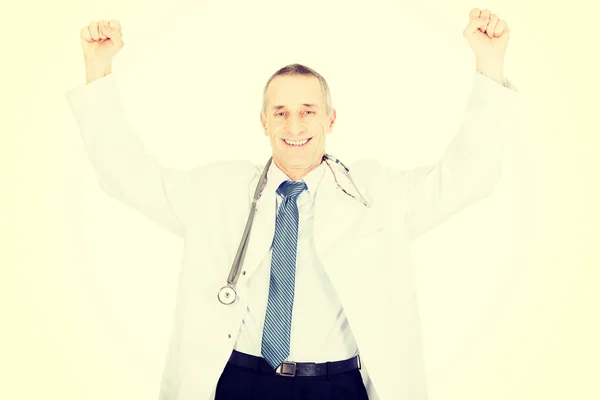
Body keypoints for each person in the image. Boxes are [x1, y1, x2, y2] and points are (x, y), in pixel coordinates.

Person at [65, 7, 518, 400]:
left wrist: (489, 62)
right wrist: (98, 69)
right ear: (263, 121)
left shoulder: (377, 194)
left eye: (308, 110)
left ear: (330, 118)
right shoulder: (217, 192)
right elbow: (126, 175)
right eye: (280, 112)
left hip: (336, 389)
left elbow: (470, 176)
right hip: (241, 383)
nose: (294, 124)